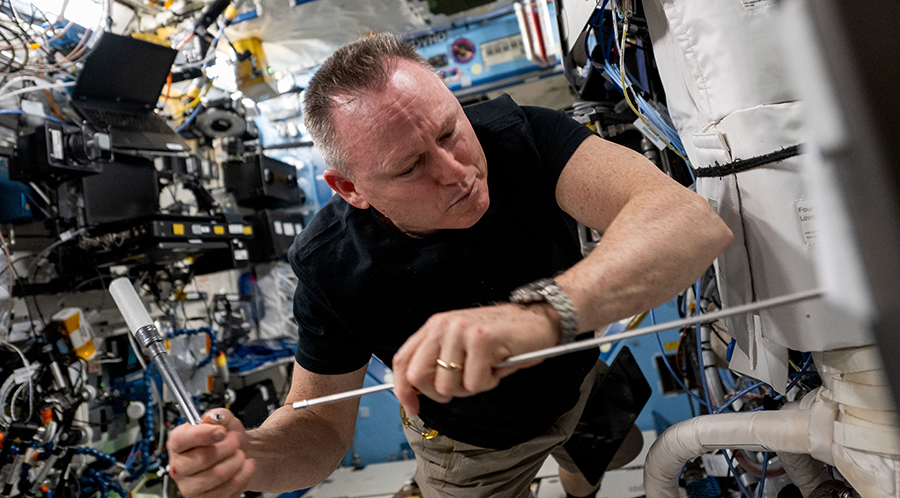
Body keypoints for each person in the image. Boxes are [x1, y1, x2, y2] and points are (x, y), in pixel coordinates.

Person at [166, 33, 732, 498]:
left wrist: (538, 315)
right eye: (411, 167)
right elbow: (318, 422)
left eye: (449, 131)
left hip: (577, 385)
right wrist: (252, 457)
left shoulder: (522, 136)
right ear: (350, 188)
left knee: (604, 460)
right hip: (468, 448)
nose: (456, 171)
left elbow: (685, 219)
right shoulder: (329, 266)